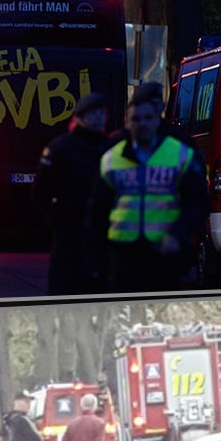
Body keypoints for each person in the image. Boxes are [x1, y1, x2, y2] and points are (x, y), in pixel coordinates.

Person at [87, 82, 209, 292]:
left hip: (165, 254)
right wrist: (96, 258)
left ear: (158, 115)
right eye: (136, 118)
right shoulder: (113, 152)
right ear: (127, 121)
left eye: (148, 117)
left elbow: (197, 202)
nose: (142, 123)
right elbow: (97, 210)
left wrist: (179, 238)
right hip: (122, 256)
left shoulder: (180, 149)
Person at [33, 92, 114, 295]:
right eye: (92, 114)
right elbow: (40, 191)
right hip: (69, 227)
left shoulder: (111, 148)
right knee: (65, 285)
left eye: (101, 114)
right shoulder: (61, 149)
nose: (98, 118)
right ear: (78, 117)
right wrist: (52, 219)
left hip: (102, 230)